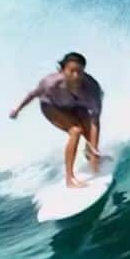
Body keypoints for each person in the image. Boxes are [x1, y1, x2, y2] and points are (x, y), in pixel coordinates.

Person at [10, 52, 105, 188]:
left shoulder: (92, 88)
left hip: (75, 105)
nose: (76, 76)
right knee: (76, 131)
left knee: (89, 130)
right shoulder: (49, 83)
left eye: (80, 72)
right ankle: (70, 179)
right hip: (51, 106)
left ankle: (90, 155)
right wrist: (17, 109)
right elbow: (32, 95)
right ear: (62, 70)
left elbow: (95, 120)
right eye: (71, 71)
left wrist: (95, 150)